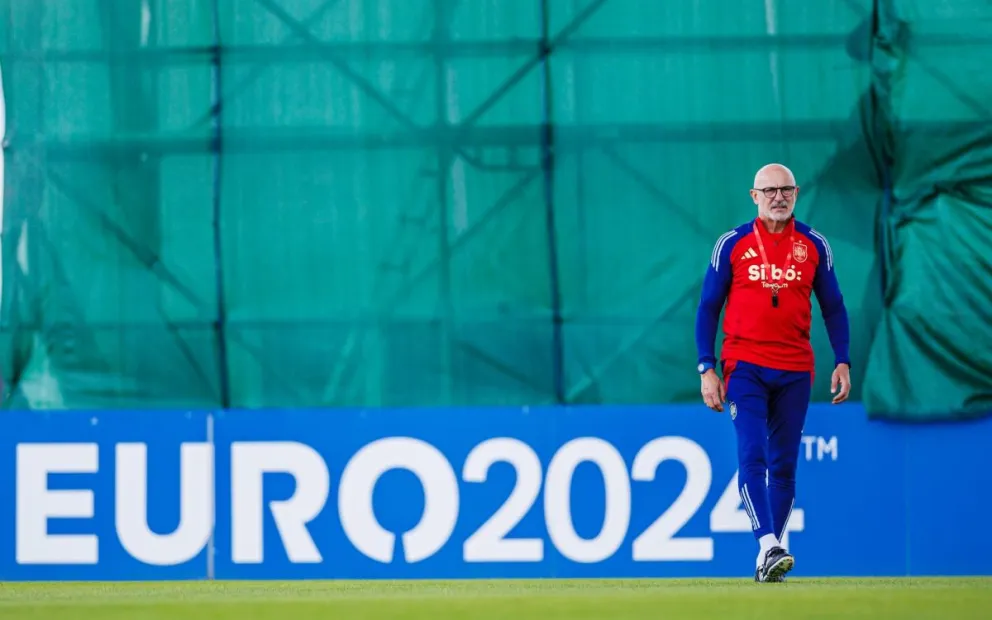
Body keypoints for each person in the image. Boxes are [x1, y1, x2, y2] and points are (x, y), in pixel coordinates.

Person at [694, 163, 851, 583]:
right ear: (754, 196)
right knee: (753, 455)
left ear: (796, 193)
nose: (778, 197)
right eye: (769, 190)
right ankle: (768, 545)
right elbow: (708, 307)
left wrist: (843, 359)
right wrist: (707, 367)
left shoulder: (814, 245)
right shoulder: (733, 244)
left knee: (784, 465)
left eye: (785, 189)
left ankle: (772, 557)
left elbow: (833, 306)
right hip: (744, 366)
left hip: (796, 368)